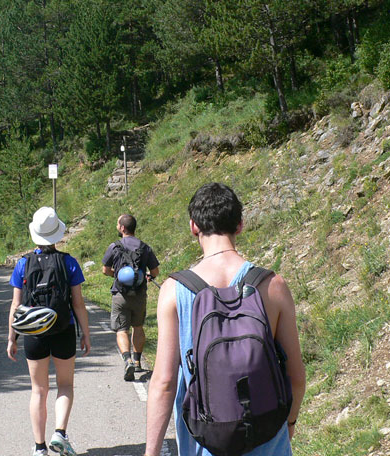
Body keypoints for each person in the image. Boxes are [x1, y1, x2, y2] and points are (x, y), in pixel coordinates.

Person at [145, 183, 306, 456]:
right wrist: (289, 423)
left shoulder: (175, 291)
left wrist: (151, 452)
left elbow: (164, 382)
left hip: (206, 443)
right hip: (268, 439)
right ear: (240, 225)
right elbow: (296, 376)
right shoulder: (272, 286)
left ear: (194, 227)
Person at [8, 207, 91, 456]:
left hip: (34, 334)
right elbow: (78, 304)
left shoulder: (23, 264)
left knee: (38, 390)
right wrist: (85, 334)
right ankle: (60, 433)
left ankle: (39, 448)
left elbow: (16, 305)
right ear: (57, 235)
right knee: (65, 385)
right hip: (63, 330)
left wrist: (12, 337)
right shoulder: (69, 263)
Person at [102, 214, 160, 381]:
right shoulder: (145, 247)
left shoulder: (115, 246)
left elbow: (105, 270)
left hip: (120, 294)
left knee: (122, 330)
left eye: (117, 224)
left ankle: (127, 360)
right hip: (139, 295)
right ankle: (137, 360)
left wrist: (118, 275)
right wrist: (145, 276)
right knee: (138, 327)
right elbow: (155, 271)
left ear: (122, 228)